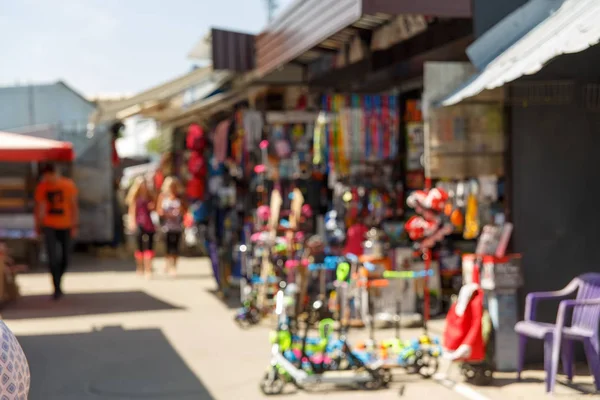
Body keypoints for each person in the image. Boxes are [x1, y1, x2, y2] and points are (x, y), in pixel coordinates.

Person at [34, 163, 78, 300]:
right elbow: (40, 207)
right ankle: (56, 287)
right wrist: (38, 225)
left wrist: (75, 224)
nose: (48, 179)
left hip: (65, 224)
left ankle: (59, 278)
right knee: (52, 257)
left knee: (65, 257)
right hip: (49, 225)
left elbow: (73, 205)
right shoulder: (42, 187)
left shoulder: (68, 185)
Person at [126, 177, 156, 278]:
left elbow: (155, 207)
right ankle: (140, 267)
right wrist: (132, 223)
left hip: (149, 223)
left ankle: (148, 268)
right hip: (139, 223)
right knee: (140, 247)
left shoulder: (150, 196)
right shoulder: (135, 197)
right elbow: (132, 211)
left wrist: (152, 207)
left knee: (149, 247)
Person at [157, 177, 187, 276]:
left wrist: (179, 211)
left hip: (177, 226)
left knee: (176, 247)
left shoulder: (179, 197)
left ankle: (174, 266)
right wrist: (168, 214)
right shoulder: (163, 196)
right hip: (166, 226)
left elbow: (184, 210)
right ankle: (168, 264)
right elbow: (159, 211)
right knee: (168, 246)